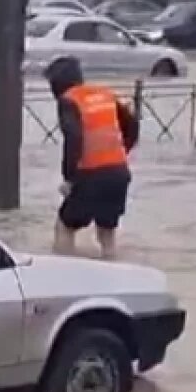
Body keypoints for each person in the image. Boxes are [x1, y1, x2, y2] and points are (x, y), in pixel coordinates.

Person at [44, 57, 139, 260]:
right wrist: (120, 153)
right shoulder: (105, 94)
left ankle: (64, 269)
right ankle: (112, 267)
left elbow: (73, 137)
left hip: (91, 174)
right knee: (107, 233)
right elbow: (132, 125)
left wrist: (69, 178)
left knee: (64, 227)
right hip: (119, 173)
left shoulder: (68, 100)